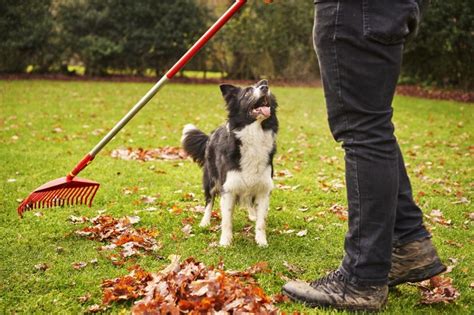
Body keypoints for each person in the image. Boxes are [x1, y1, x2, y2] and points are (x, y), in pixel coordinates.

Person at [276, 0, 447, 312]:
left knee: (361, 129)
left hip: (355, 9)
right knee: (372, 126)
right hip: (387, 8)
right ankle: (408, 244)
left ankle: (361, 278)